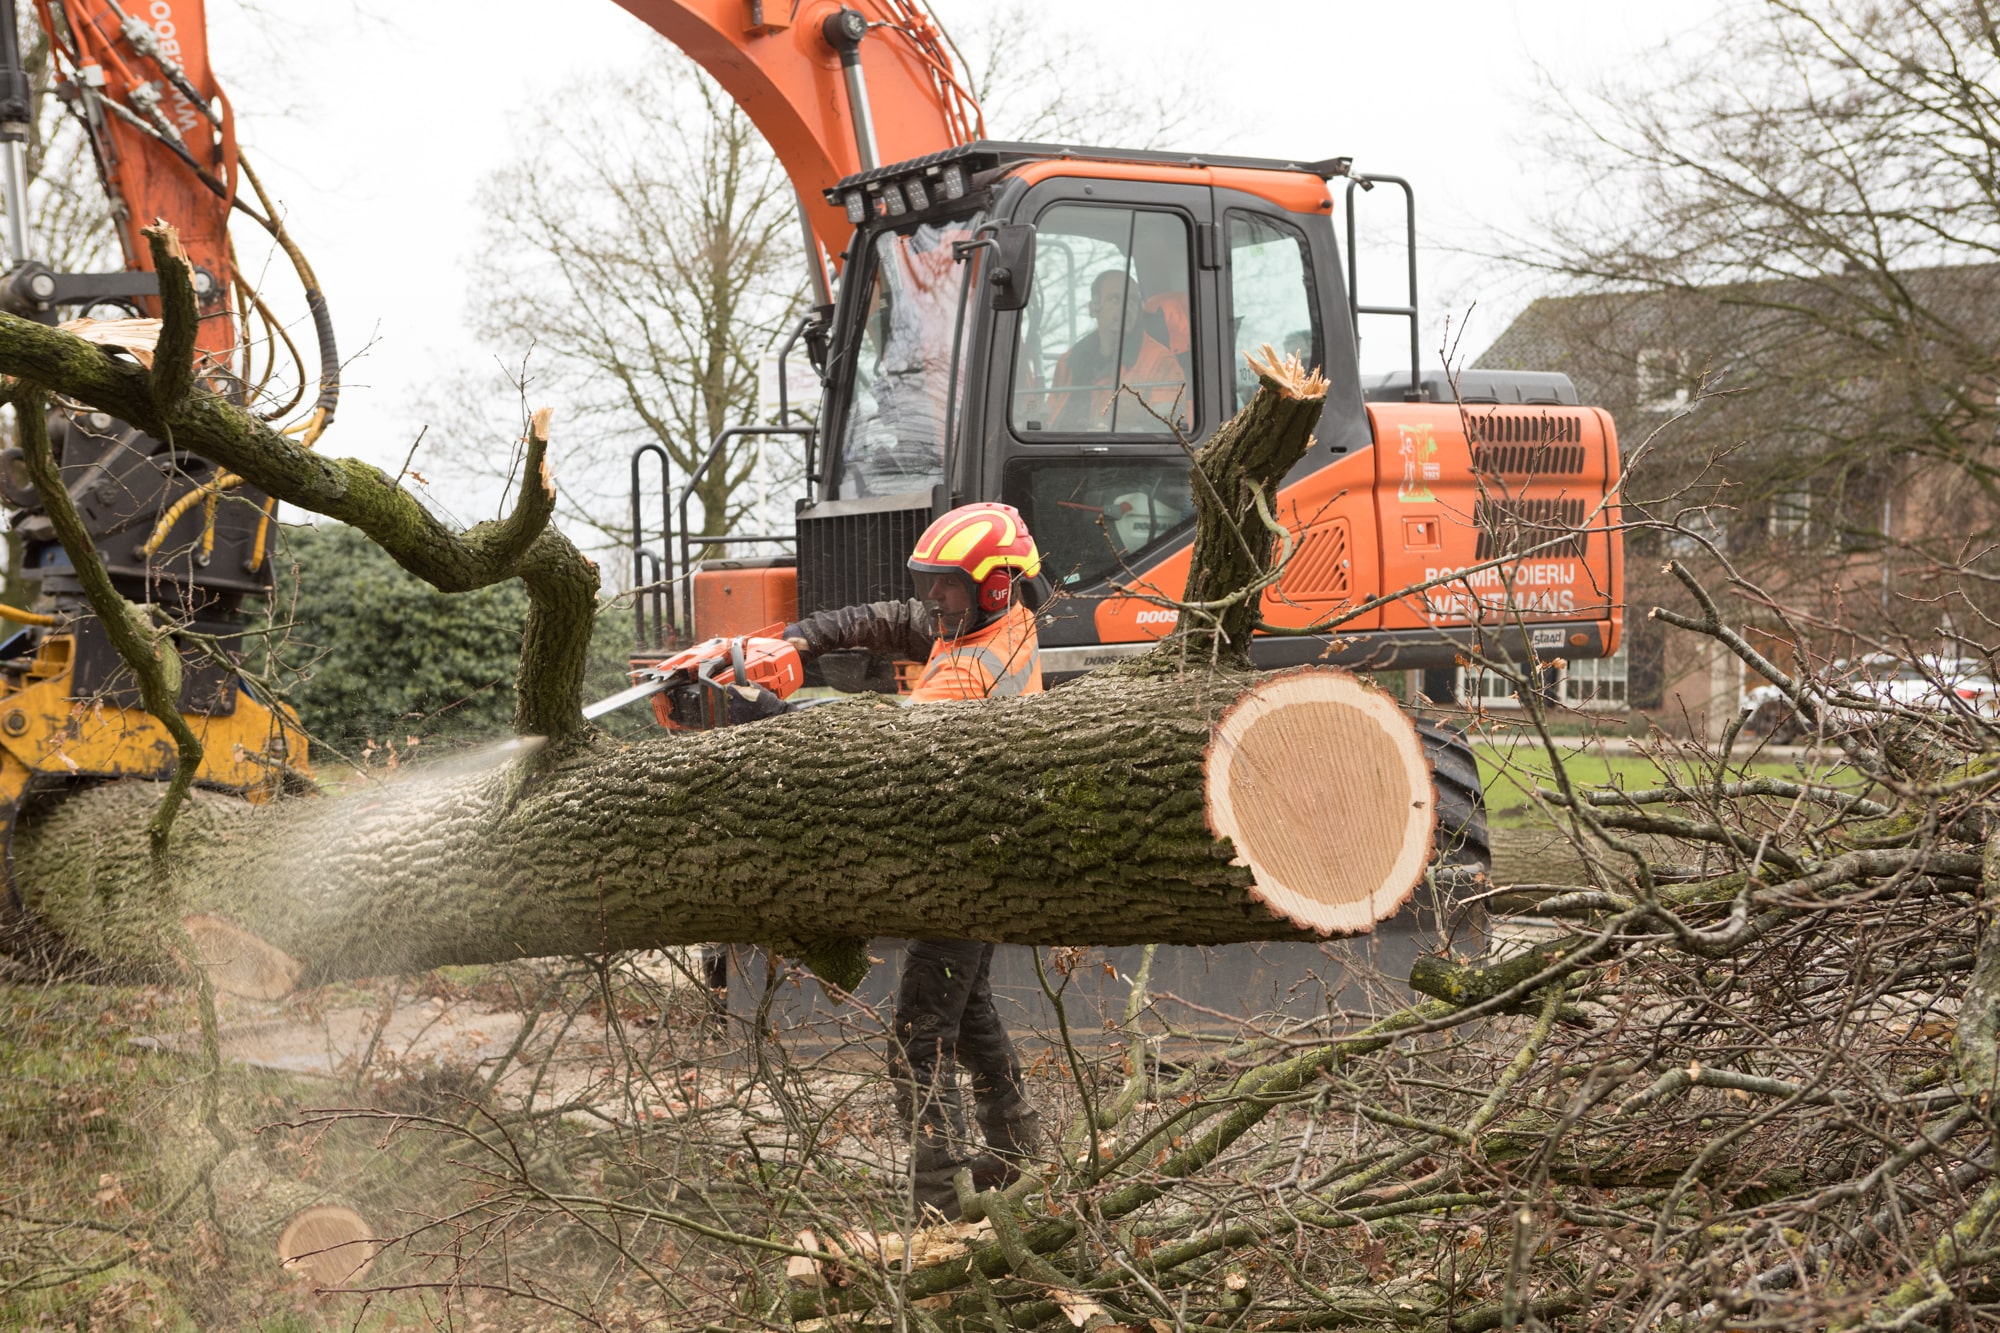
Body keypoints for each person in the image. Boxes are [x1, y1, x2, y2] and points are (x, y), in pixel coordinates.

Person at [782, 502, 1049, 1219]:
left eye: (947, 586)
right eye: (930, 582)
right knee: (967, 1014)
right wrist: (799, 640)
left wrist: (756, 712)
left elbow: (881, 746)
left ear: (992, 586)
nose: (932, 598)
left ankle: (941, 1199)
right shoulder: (999, 619)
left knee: (917, 1034)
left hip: (965, 871)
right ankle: (1021, 1155)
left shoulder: (971, 674)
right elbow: (893, 617)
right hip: (980, 859)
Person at [1050, 270, 1185, 431]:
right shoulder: (1069, 362)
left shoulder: (1160, 361)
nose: (1126, 308)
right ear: (1094, 308)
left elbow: (1166, 427)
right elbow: (1049, 419)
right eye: (1115, 299)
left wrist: (1115, 434)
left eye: (1133, 301)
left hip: (1126, 455)